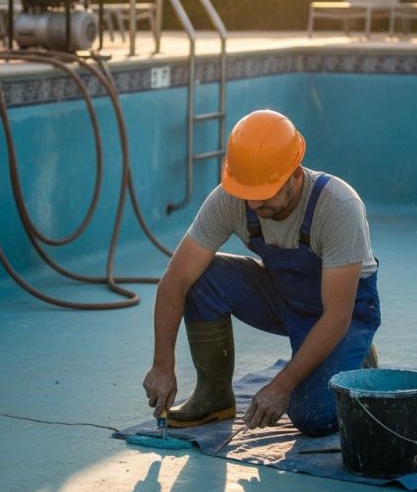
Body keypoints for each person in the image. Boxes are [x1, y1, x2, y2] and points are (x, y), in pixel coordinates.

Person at [142, 109, 381, 437]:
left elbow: (337, 316)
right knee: (200, 276)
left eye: (263, 194)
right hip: (284, 296)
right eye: (246, 192)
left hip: (343, 316)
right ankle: (214, 397)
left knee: (312, 415)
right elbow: (175, 280)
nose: (253, 205)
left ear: (295, 174)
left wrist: (281, 386)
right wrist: (162, 364)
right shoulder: (231, 198)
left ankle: (358, 362)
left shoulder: (338, 206)